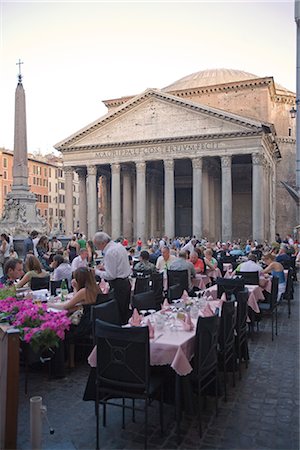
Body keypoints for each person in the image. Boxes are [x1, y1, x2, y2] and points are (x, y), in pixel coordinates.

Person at [94, 232, 131, 324]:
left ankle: (119, 333)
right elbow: (118, 266)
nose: (97, 248)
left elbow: (111, 275)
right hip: (125, 283)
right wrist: (106, 267)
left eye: (97, 245)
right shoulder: (119, 246)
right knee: (124, 311)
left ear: (102, 243)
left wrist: (96, 272)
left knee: (118, 312)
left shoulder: (110, 252)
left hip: (118, 285)